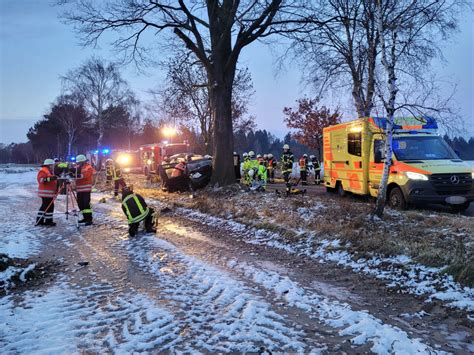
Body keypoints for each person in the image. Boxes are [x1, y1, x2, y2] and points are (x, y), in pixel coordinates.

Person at [36, 159, 58, 226]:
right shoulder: (43, 170)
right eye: (52, 165)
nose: (53, 166)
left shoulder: (48, 171)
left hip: (48, 193)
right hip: (45, 193)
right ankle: (48, 221)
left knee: (45, 206)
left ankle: (40, 220)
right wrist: (50, 178)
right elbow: (41, 180)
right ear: (49, 165)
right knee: (49, 206)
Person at [75, 154, 96, 225]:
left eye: (79, 162)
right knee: (80, 204)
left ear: (83, 161)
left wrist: (77, 175)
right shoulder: (77, 167)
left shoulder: (88, 167)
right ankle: (85, 217)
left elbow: (85, 175)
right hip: (79, 189)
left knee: (86, 204)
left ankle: (89, 219)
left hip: (86, 189)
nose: (78, 163)